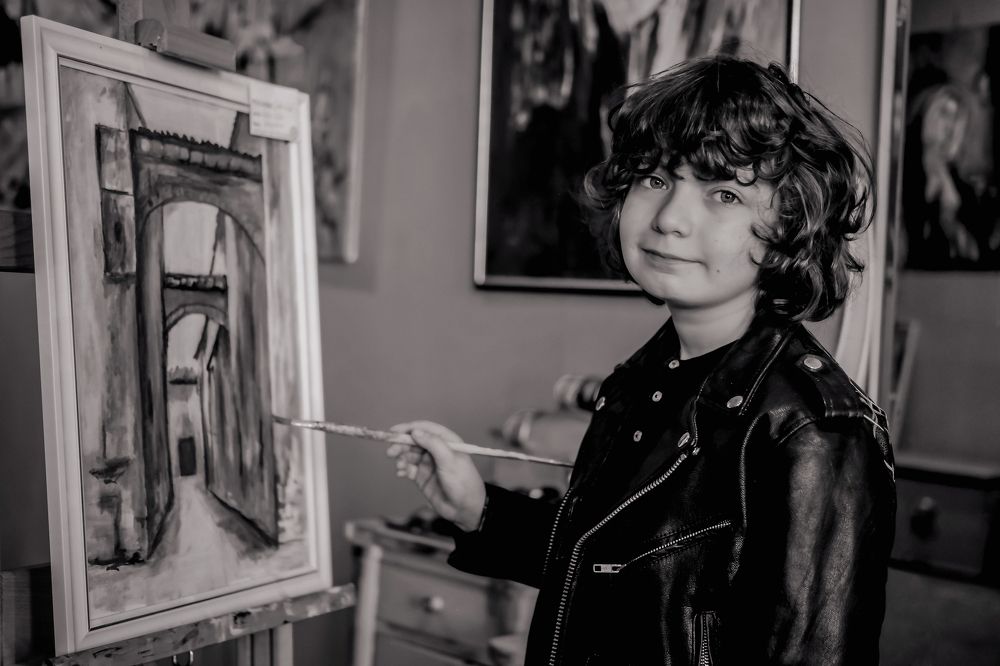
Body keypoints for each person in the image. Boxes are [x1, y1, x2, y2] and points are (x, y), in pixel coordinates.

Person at [388, 54, 896, 665]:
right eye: (655, 179)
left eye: (725, 193)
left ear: (791, 223)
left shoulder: (815, 431)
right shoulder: (639, 381)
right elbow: (615, 572)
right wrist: (478, 509)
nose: (670, 219)